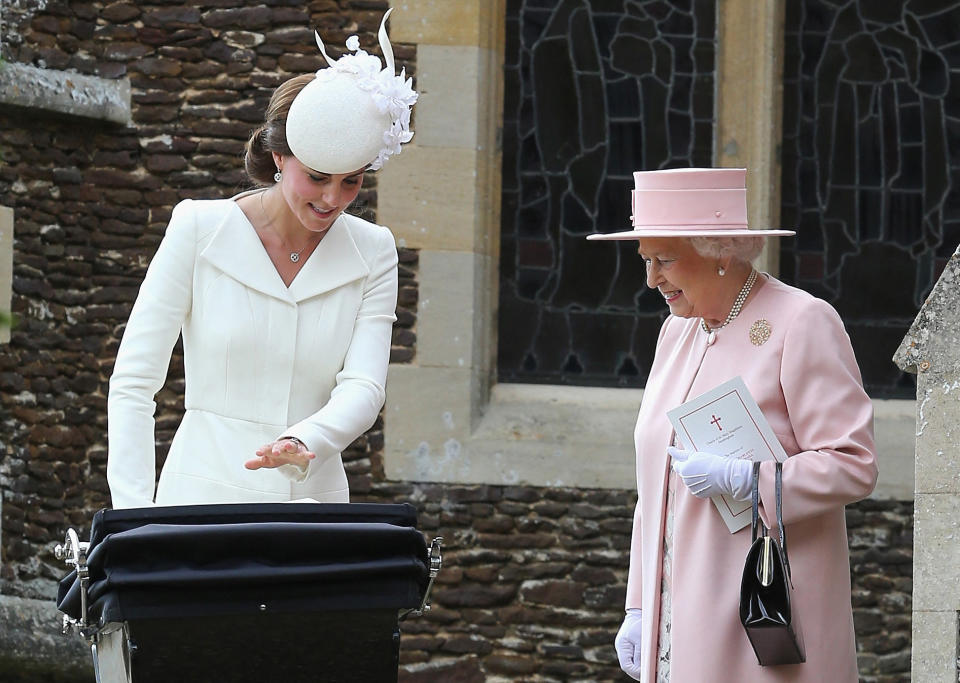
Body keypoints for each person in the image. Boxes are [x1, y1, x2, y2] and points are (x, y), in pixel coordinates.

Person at [106, 11, 417, 508]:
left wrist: (306, 440)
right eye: (317, 177)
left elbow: (364, 385)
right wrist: (132, 521)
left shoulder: (374, 251)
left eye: (351, 181)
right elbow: (134, 383)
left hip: (312, 510)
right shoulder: (197, 228)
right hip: (197, 503)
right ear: (279, 157)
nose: (332, 198)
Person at [588, 168, 878, 682]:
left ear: (722, 251)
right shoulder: (676, 334)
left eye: (664, 260)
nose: (651, 279)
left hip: (764, 614)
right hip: (679, 618)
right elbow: (652, 488)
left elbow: (853, 464)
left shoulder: (801, 321)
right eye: (645, 261)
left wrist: (751, 481)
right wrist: (639, 605)